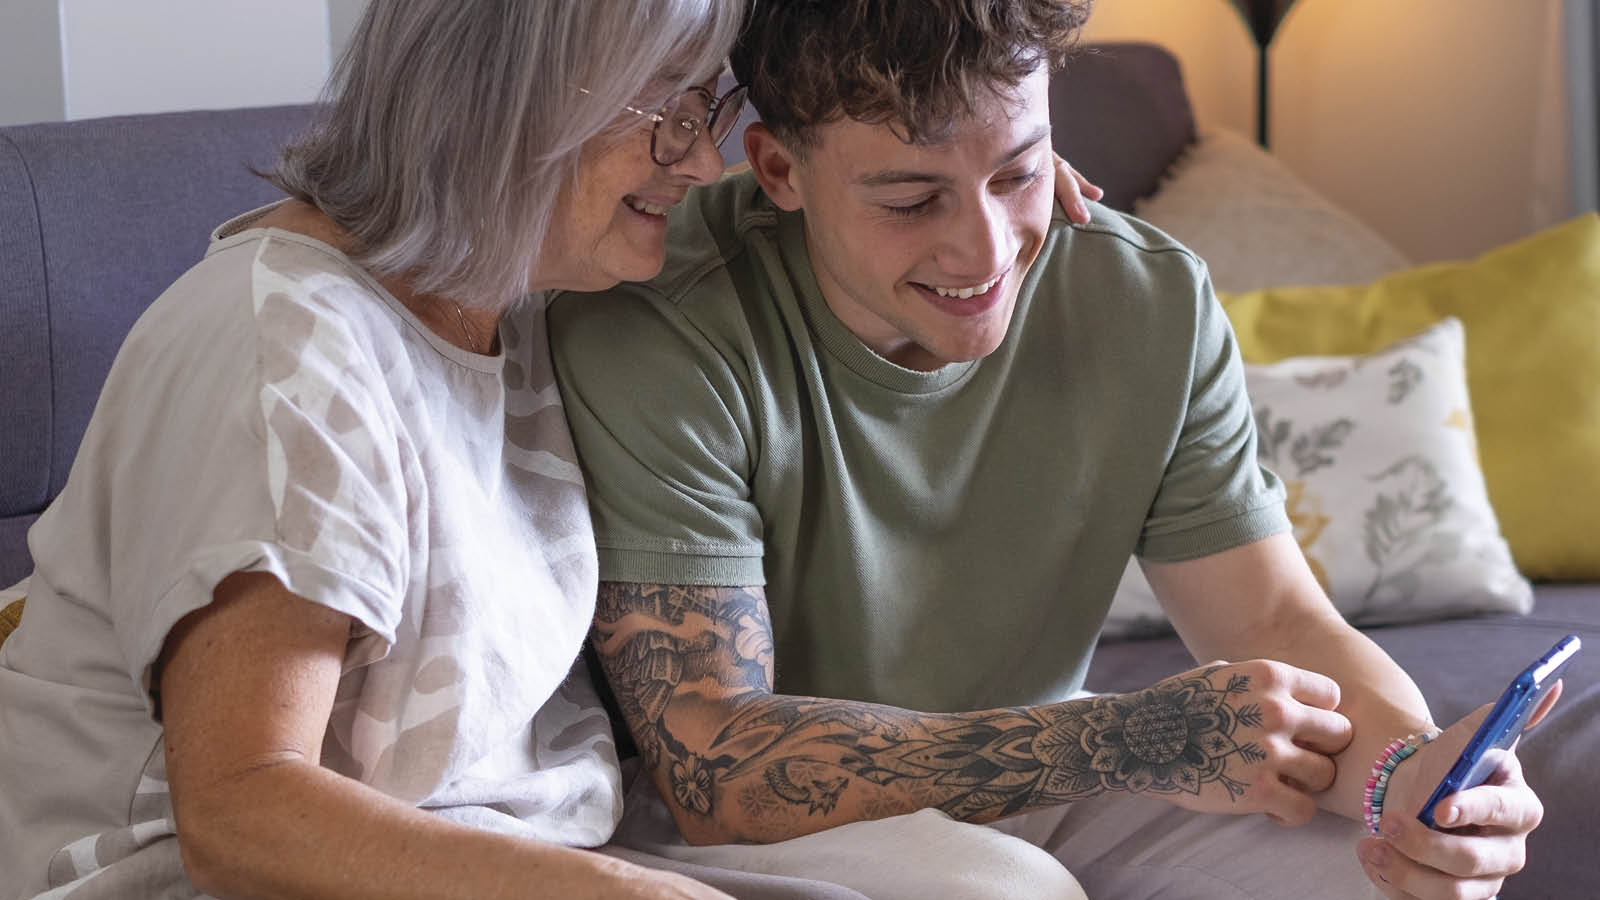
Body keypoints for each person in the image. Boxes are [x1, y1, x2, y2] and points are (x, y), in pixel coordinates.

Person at [546, 1, 1552, 898]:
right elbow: (712, 768)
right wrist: (1117, 742)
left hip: (1049, 759)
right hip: (753, 825)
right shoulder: (664, 323)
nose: (984, 252)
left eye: (1017, 172)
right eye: (910, 200)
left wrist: (1415, 780)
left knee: (1379, 884)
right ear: (777, 168)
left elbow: (1272, 617)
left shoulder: (1143, 296)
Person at [0, 1, 773, 897]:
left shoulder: (518, 296)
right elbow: (241, 813)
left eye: (708, 110)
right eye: (668, 120)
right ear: (504, 107)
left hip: (529, 849)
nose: (703, 161)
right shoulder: (290, 356)